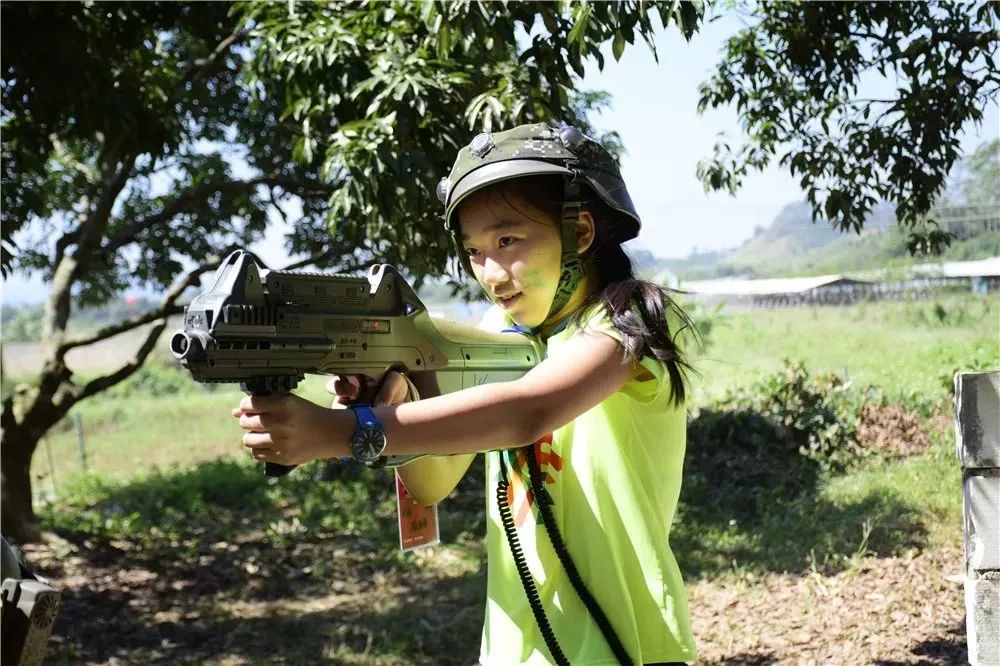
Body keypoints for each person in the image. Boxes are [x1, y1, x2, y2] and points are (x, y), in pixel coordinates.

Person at [232, 123, 699, 665]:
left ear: (580, 232)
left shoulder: (629, 322)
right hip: (516, 645)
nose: (491, 275)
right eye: (474, 251)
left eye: (508, 242)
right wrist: (395, 403)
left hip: (623, 640)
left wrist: (343, 432)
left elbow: (529, 411)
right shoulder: (502, 333)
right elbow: (434, 482)